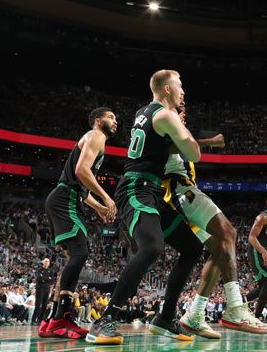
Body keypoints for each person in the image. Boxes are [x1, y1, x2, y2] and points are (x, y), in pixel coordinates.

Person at [87, 70, 201, 345]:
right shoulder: (165, 115)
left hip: (150, 191)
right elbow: (195, 153)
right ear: (166, 90)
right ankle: (106, 319)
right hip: (136, 189)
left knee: (193, 247)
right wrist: (184, 127)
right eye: (180, 85)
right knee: (151, 247)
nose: (183, 91)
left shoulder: (144, 112)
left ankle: (165, 317)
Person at [160, 104, 267, 338]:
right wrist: (208, 142)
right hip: (179, 189)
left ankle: (195, 314)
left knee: (221, 249)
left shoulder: (179, 131)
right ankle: (235, 308)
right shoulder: (165, 128)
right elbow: (172, 147)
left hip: (181, 192)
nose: (184, 114)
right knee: (229, 233)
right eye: (180, 110)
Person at [40, 107, 118, 340]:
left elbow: (81, 185)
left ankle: (51, 319)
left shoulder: (94, 139)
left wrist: (99, 208)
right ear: (98, 121)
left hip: (67, 197)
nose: (115, 121)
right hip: (66, 200)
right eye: (111, 117)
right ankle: (61, 319)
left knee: (72, 259)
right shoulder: (96, 136)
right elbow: (81, 171)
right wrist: (106, 196)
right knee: (80, 252)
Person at [246, 195, 267, 321]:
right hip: (256, 252)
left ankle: (237, 304)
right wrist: (264, 253)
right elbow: (251, 237)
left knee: (262, 287)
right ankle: (257, 317)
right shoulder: (263, 217)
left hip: (264, 253)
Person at [33, 258, 54, 325]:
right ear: (43, 262)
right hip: (40, 288)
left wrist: (44, 279)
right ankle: (33, 319)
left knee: (45, 305)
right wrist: (47, 278)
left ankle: (41, 319)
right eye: (45, 261)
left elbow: (52, 280)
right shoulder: (39, 270)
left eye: (48, 262)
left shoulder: (50, 271)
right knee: (38, 304)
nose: (47, 263)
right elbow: (39, 278)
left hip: (47, 289)